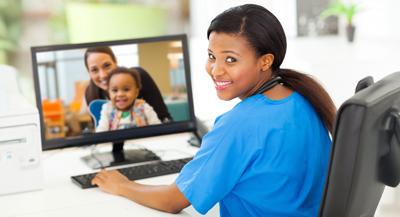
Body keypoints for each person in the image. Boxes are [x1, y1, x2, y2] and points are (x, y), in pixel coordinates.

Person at [91, 4, 336, 217]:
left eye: (230, 59)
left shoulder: (238, 124)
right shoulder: (301, 97)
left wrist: (121, 185)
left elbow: (172, 200)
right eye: (211, 56)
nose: (216, 70)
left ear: (266, 61)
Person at [83, 46, 172, 122]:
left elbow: (164, 118)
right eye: (94, 70)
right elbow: (99, 129)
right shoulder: (91, 94)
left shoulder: (139, 76)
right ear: (89, 73)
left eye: (107, 65)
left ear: (115, 62)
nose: (103, 75)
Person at [96, 67, 161, 132]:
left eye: (126, 89)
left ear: (136, 92)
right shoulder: (107, 109)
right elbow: (101, 131)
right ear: (109, 93)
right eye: (115, 90)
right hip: (116, 141)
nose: (120, 94)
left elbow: (157, 128)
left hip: (141, 141)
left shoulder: (144, 107)